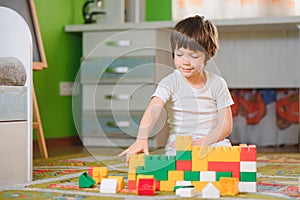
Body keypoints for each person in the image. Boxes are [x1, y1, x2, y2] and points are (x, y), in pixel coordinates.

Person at [119, 15, 234, 162]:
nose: (185, 62)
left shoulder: (217, 83)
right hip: (180, 144)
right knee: (176, 167)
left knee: (227, 159)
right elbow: (153, 110)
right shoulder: (170, 82)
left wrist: (198, 144)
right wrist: (141, 138)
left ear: (208, 56)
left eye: (193, 56)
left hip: (212, 141)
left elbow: (226, 125)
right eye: (179, 54)